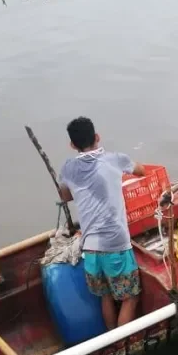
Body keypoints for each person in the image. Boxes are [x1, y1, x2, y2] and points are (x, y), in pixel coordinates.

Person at [58, 117, 146, 330]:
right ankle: (121, 342)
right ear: (97, 137)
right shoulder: (115, 159)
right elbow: (141, 171)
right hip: (115, 245)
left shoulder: (68, 168)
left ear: (72, 145)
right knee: (130, 297)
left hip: (90, 248)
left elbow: (65, 195)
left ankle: (110, 339)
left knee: (105, 296)